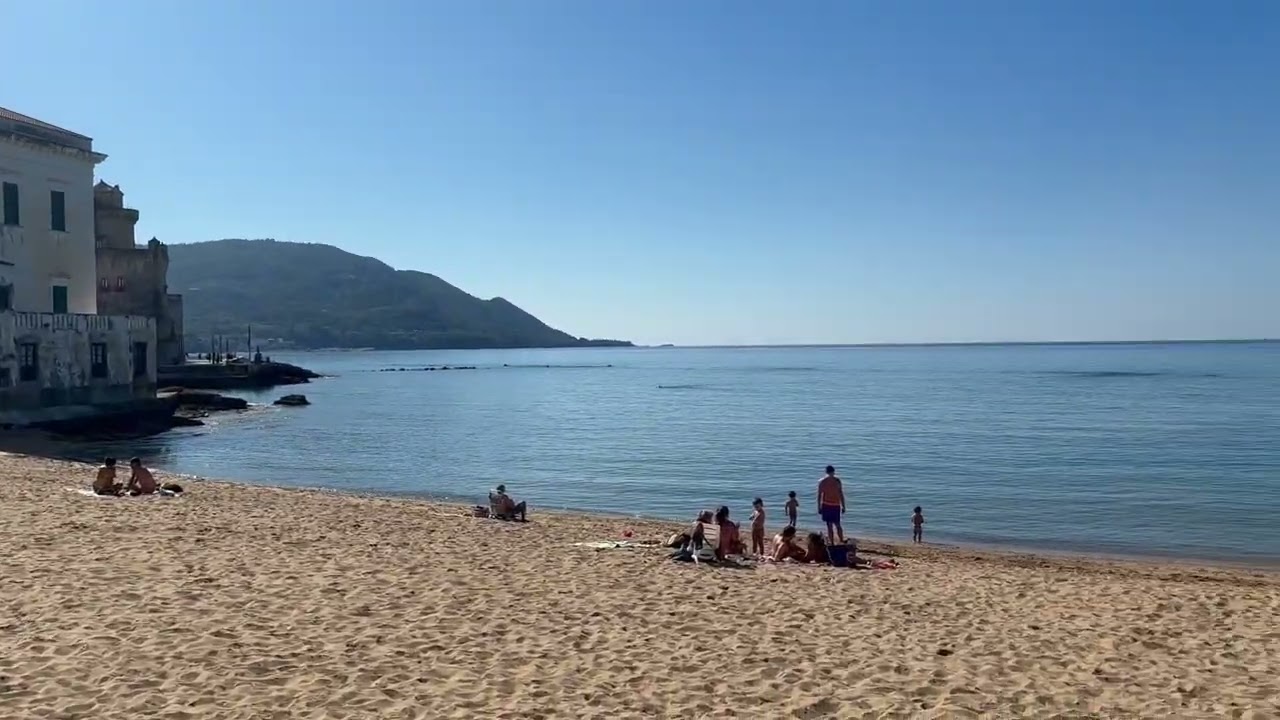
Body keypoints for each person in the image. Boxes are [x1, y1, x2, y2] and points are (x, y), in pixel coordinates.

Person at [817, 465, 846, 546]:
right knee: (837, 524)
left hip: (827, 505)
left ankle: (833, 543)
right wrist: (843, 506)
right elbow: (841, 494)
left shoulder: (822, 482)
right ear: (833, 471)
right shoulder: (837, 481)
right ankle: (840, 541)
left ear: (826, 472)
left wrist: (819, 507)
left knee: (830, 525)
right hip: (834, 505)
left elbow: (819, 495)